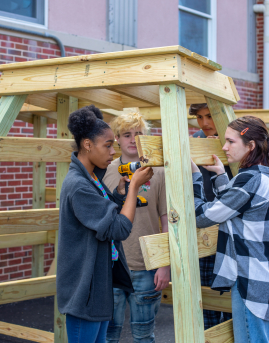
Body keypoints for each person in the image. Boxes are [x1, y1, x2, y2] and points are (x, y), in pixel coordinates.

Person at [57, 105, 154, 343]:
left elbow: (104, 215)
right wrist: (133, 188)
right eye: (108, 145)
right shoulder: (78, 185)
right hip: (85, 289)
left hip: (97, 284)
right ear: (88, 145)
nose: (113, 151)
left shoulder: (91, 178)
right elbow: (118, 228)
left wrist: (120, 195)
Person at [191, 115, 269, 343]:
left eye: (231, 141)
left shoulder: (249, 180)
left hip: (252, 280)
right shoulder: (266, 175)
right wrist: (221, 175)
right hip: (267, 275)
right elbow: (237, 206)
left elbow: (203, 216)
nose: (224, 147)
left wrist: (195, 178)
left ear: (250, 145)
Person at [103, 112, 170, 343]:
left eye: (138, 134)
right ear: (117, 139)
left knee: (143, 336)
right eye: (126, 134)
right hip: (112, 265)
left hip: (147, 265)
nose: (132, 139)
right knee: (108, 335)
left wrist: (164, 264)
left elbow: (166, 220)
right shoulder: (106, 170)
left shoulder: (158, 170)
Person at [189, 103, 233, 329]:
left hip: (230, 227)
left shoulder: (234, 142)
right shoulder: (194, 140)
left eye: (209, 116)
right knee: (207, 293)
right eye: (199, 117)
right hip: (202, 225)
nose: (204, 123)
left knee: (231, 297)